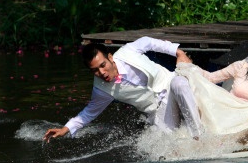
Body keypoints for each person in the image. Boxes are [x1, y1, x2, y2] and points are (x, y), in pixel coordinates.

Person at [43, 37, 203, 141]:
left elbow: (149, 42)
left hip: (171, 87)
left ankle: (199, 137)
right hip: (159, 111)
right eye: (95, 71)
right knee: (170, 145)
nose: (101, 73)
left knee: (179, 83)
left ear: (110, 58)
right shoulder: (101, 90)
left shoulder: (128, 52)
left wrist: (178, 52)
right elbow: (87, 114)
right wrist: (65, 129)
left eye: (103, 65)